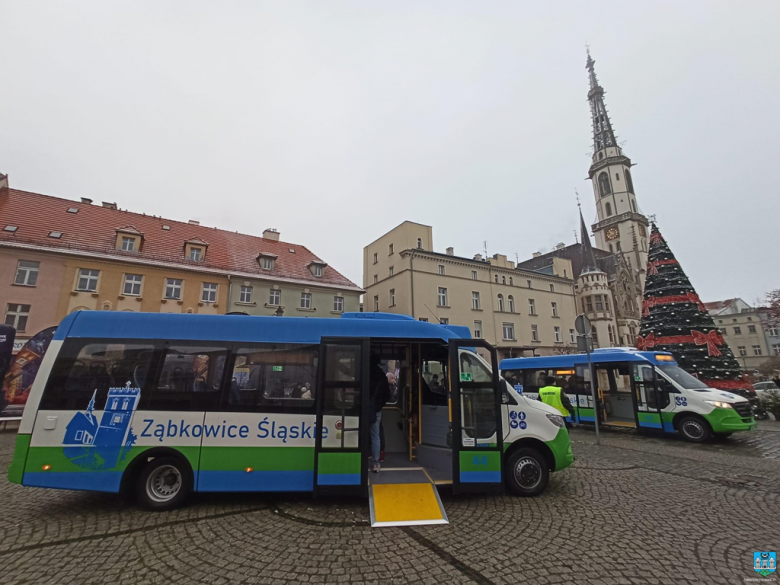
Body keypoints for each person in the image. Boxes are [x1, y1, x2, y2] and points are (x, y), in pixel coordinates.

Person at [369, 356, 391, 473]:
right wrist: (378, 405)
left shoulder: (363, 373)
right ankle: (376, 463)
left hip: (362, 409)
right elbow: (387, 395)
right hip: (376, 410)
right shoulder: (382, 377)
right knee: (375, 436)